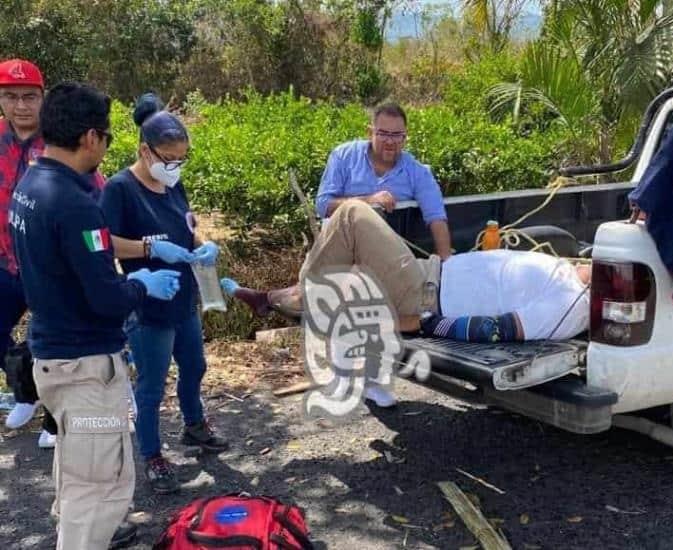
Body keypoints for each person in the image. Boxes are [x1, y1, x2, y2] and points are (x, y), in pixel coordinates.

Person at [10, 81, 183, 550]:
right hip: (84, 366)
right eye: (106, 136)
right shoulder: (76, 203)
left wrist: (145, 251)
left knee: (75, 467)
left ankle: (76, 533)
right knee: (102, 487)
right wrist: (141, 283)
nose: (107, 146)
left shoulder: (30, 184)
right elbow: (106, 298)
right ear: (90, 137)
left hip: (51, 353)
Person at [220, 201, 590, 406]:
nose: (593, 261)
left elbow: (495, 331)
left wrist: (422, 322)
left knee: (351, 216)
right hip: (426, 272)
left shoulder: (571, 303)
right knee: (348, 263)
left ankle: (301, 295)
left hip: (423, 292)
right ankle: (270, 300)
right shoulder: (570, 272)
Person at [99, 93, 228, 496]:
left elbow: (189, 224)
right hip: (147, 303)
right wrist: (150, 250)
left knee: (195, 366)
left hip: (183, 297)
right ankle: (152, 454)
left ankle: (194, 424)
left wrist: (203, 244)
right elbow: (106, 243)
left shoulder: (173, 183)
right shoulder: (120, 189)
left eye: (181, 160)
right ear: (145, 150)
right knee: (152, 384)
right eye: (169, 159)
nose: (175, 168)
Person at [0, 58, 106, 448]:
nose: (21, 106)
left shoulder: (62, 141)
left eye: (29, 96)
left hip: (49, 266)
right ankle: (25, 389)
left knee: (53, 343)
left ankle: (53, 419)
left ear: (43, 99)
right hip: (6, 262)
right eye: (10, 97)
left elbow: (97, 193)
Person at [315, 102, 452, 259]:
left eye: (396, 135)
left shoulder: (417, 171)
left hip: (391, 258)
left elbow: (436, 216)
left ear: (405, 137)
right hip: (341, 252)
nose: (390, 141)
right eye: (383, 134)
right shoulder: (343, 156)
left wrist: (445, 262)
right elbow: (322, 205)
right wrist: (370, 201)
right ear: (370, 132)